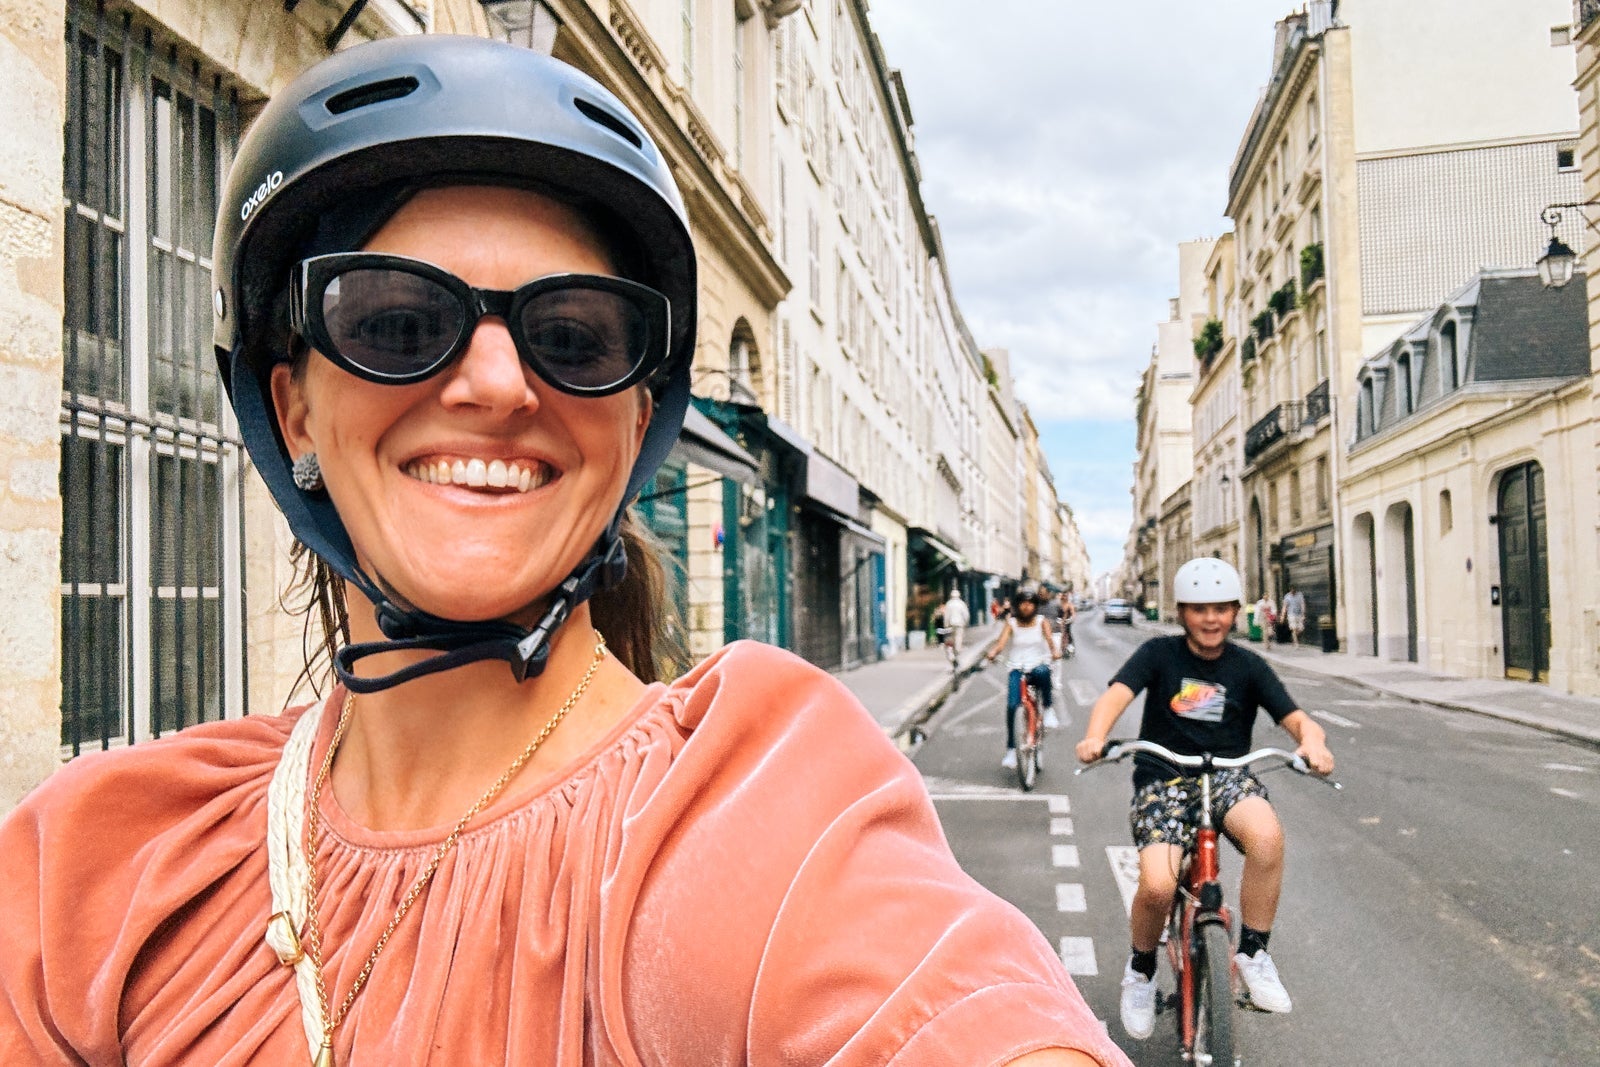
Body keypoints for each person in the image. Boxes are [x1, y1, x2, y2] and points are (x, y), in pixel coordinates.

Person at [0, 36, 1126, 1067]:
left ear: (634, 424)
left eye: (573, 337)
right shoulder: (107, 860)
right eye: (395, 321)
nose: (496, 382)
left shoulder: (744, 820)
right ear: (293, 411)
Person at [1074, 558, 1334, 1042]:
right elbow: (1116, 696)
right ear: (1181, 612)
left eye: (1220, 608)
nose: (1210, 619)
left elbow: (1297, 719)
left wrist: (1313, 743)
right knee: (1157, 885)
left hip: (1229, 776)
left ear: (1235, 611)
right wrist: (1095, 736)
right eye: (1199, 609)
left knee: (1267, 837)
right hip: (1165, 779)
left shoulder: (1249, 666)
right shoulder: (1158, 654)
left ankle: (1253, 953)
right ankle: (1141, 971)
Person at [985, 589, 1061, 767]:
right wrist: (993, 653)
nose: (1026, 607)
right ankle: (1011, 751)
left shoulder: (1041, 622)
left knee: (1044, 672)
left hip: (1037, 664)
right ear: (1017, 606)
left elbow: (1050, 641)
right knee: (1012, 706)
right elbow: (1001, 643)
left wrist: (1055, 652)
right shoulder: (1011, 623)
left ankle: (1048, 709)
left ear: (1035, 606)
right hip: (1016, 667)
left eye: (1030, 603)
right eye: (1023, 603)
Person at [942, 588, 971, 652]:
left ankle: (954, 648)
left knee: (952, 636)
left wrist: (946, 623)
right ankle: (957, 649)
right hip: (960, 623)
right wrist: (966, 622)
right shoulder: (962, 603)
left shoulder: (949, 603)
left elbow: (947, 615)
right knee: (959, 636)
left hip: (951, 623)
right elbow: (966, 614)